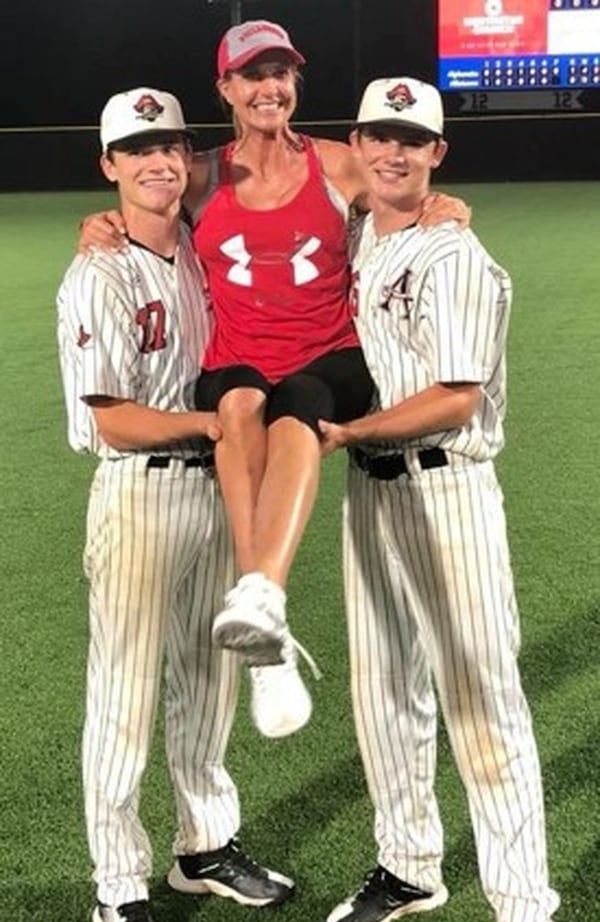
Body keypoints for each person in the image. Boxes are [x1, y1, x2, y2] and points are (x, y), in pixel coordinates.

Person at [78, 21, 470, 740]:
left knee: (298, 406)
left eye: (281, 74)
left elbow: (400, 194)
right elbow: (143, 204)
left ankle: (259, 592)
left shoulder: (336, 165)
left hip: (330, 355)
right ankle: (267, 640)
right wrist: (97, 224)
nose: (270, 88)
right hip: (238, 357)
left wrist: (442, 206)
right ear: (225, 88)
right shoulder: (201, 173)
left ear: (295, 83)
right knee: (237, 405)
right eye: (253, 76)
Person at [318, 77, 559, 922]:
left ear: (437, 155)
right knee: (382, 693)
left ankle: (523, 916)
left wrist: (340, 435)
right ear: (357, 145)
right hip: (372, 498)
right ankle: (410, 866)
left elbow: (456, 397)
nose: (394, 152)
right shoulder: (358, 228)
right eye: (380, 136)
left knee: (482, 709)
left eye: (412, 141)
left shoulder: (454, 253)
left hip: (445, 488)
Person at [57, 87, 295, 922]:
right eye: (139, 149)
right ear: (110, 165)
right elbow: (108, 420)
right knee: (123, 698)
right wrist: (212, 428)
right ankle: (118, 889)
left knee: (209, 680)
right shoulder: (99, 271)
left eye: (173, 147)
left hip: (214, 494)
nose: (161, 161)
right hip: (141, 492)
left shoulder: (202, 250)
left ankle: (204, 848)